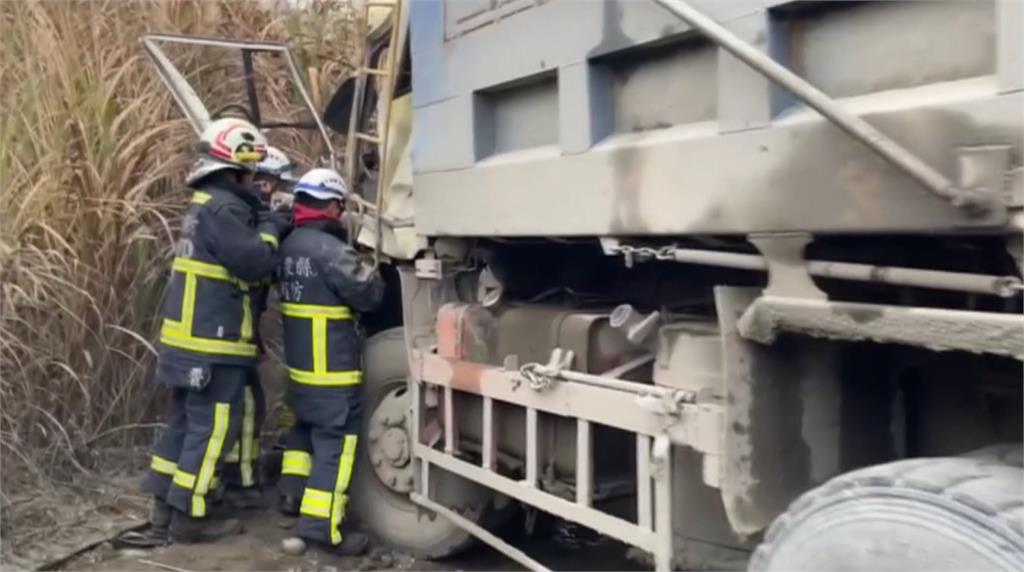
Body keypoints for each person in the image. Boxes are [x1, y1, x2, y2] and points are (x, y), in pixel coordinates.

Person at [129, 117, 290, 546]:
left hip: (187, 345)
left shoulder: (205, 205)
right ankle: (190, 517)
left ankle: (165, 505)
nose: (257, 180)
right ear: (237, 166)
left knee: (183, 423)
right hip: (213, 344)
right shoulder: (226, 209)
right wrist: (274, 227)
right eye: (253, 171)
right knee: (214, 428)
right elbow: (256, 261)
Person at [275, 168, 384, 556]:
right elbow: (369, 296)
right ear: (335, 206)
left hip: (301, 371)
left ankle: (291, 496)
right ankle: (322, 529)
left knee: (303, 435)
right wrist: (372, 263)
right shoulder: (330, 251)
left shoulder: (287, 246)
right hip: (331, 372)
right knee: (335, 448)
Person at [219, 145, 298, 511]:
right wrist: (273, 227)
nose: (274, 191)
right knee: (241, 403)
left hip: (239, 330)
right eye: (271, 183)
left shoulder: (235, 214)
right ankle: (237, 480)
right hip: (229, 332)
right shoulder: (240, 219)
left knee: (251, 400)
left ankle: (244, 476)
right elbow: (254, 265)